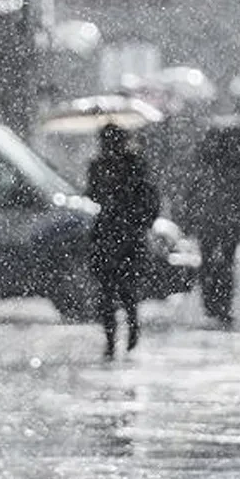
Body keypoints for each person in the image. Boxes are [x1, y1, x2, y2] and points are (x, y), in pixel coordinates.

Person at [85, 125, 159, 358]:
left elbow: (147, 197)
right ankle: (111, 339)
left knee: (125, 290)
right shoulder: (98, 166)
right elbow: (92, 194)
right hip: (108, 233)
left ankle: (131, 329)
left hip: (127, 234)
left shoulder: (134, 164)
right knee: (108, 292)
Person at [180, 141, 240, 328]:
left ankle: (212, 303)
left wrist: (189, 223)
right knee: (224, 266)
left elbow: (189, 202)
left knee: (209, 264)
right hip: (225, 228)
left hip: (209, 227)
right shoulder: (233, 178)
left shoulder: (203, 177)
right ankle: (222, 304)